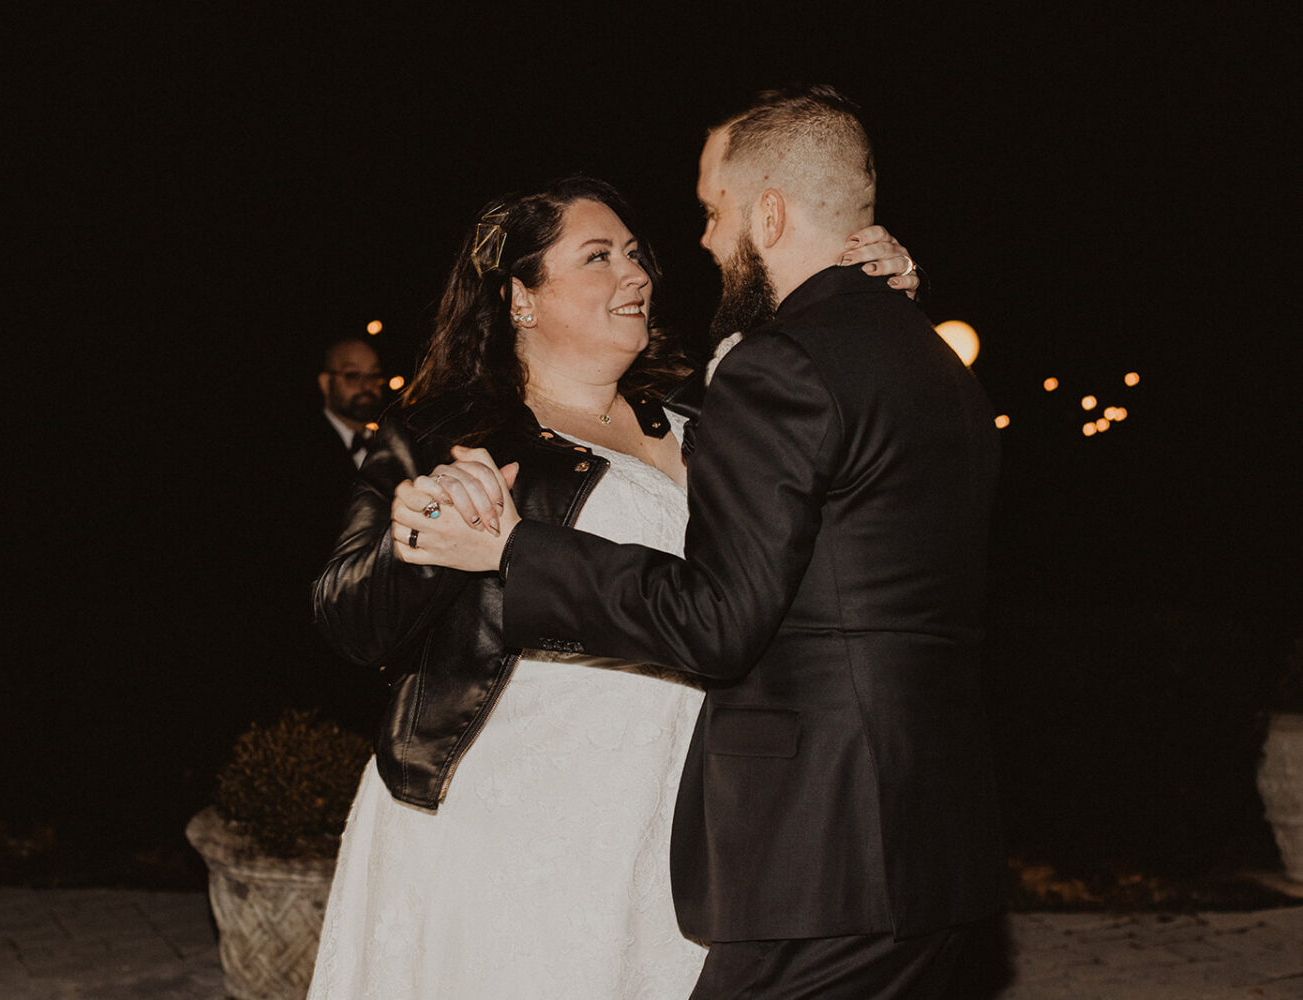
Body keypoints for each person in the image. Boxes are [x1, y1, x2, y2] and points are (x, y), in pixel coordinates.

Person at [398, 88, 1002, 1000]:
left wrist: (517, 553)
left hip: (822, 849)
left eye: (714, 213)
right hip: (933, 834)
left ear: (767, 212)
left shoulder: (782, 364)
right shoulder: (927, 357)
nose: (707, 243)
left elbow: (721, 619)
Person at [311, 176, 922, 999]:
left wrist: (864, 300)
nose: (635, 275)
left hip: (671, 814)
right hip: (504, 822)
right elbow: (348, 614)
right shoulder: (449, 432)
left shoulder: (709, 417)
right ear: (521, 297)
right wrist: (418, 540)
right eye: (597, 257)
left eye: (635, 255)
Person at [298, 335, 389, 735]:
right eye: (353, 376)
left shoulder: (393, 447)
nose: (367, 386)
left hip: (381, 628)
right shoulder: (298, 451)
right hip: (317, 634)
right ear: (325, 383)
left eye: (374, 377)